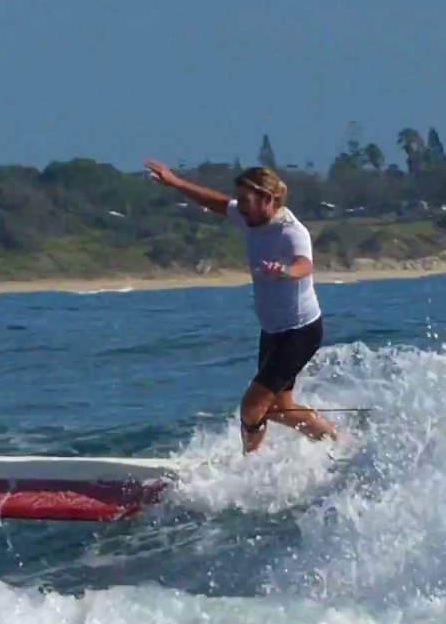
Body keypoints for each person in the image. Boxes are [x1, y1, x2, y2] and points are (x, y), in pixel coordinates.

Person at [145, 159, 339, 453]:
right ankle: (338, 443)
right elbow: (216, 202)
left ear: (268, 199)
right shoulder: (251, 218)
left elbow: (305, 264)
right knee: (279, 408)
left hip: (300, 331)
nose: (241, 207)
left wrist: (285, 272)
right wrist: (175, 182)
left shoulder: (291, 232)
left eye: (246, 201)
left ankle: (249, 465)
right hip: (273, 330)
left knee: (251, 407)